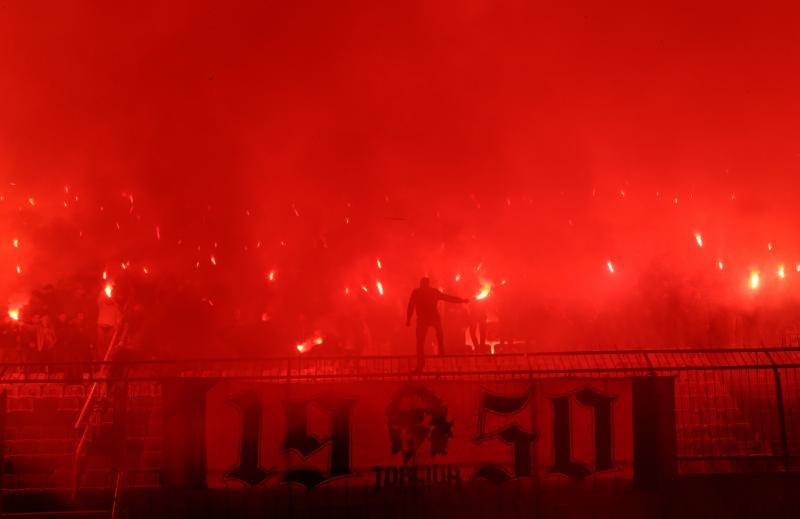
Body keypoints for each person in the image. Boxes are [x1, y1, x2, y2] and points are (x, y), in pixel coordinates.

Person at [406, 277, 468, 372]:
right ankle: (439, 352)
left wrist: (408, 319)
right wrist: (462, 300)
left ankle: (423, 363)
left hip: (425, 318)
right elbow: (448, 298)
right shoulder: (430, 292)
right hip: (429, 318)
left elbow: (411, 306)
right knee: (435, 335)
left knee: (422, 342)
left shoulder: (418, 292)